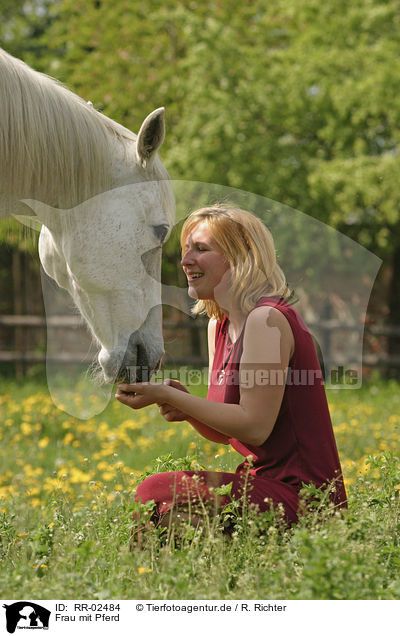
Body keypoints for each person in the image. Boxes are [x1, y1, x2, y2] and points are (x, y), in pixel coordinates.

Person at [115, 204, 347, 533]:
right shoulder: (219, 326)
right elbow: (225, 433)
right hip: (261, 486)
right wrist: (184, 405)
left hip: (305, 497)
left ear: (240, 257)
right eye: (185, 250)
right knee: (159, 499)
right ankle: (203, 575)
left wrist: (169, 395)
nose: (185, 261)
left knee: (157, 492)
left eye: (201, 249)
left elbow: (254, 428)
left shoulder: (266, 320)